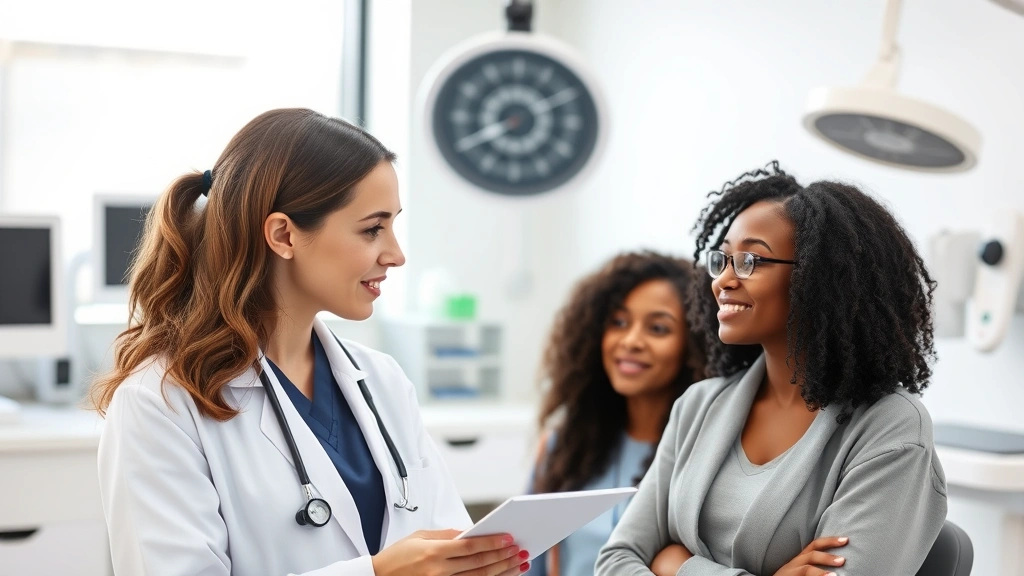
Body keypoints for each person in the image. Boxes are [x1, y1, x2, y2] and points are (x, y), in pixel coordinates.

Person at [92, 108, 531, 576]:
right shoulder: (160, 402)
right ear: (284, 234)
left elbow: (441, 537)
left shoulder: (381, 380)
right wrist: (377, 574)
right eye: (372, 229)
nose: (396, 254)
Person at [595, 162, 947, 576]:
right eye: (723, 259)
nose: (723, 280)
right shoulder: (699, 405)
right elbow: (615, 562)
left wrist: (675, 565)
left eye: (750, 261)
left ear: (821, 277)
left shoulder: (889, 428)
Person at [528, 251, 707, 576]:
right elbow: (527, 564)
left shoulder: (704, 457)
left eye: (657, 328)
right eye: (619, 322)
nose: (631, 341)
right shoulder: (562, 447)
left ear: (693, 343)